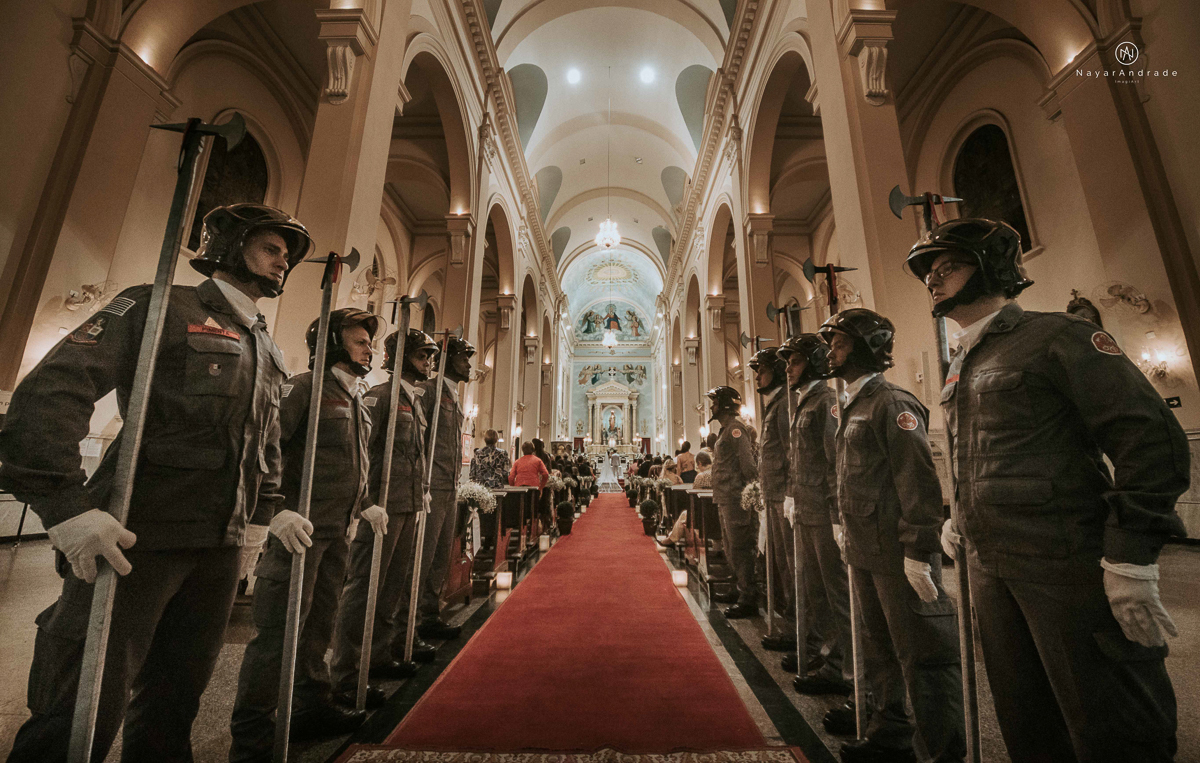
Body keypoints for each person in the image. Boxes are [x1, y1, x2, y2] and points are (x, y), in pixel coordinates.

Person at [0, 203, 308, 762]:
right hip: (137, 538)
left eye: (287, 255)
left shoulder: (268, 345)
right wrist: (65, 505)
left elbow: (265, 443)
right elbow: (51, 393)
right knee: (78, 714)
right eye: (271, 248)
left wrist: (264, 516)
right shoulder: (159, 304)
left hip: (218, 549)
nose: (282, 261)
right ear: (231, 245)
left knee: (173, 705)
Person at [905, 217, 1189, 762]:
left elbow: (1151, 441)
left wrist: (1130, 557)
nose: (933, 281)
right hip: (991, 566)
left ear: (991, 267)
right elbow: (982, 452)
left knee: (1111, 725)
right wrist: (958, 513)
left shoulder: (1058, 337)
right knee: (1027, 722)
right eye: (929, 273)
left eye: (948, 267)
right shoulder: (965, 360)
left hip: (1065, 562)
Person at [230, 308, 379, 760]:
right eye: (359, 342)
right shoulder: (303, 388)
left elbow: (357, 462)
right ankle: (253, 737)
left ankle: (312, 706)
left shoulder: (354, 397)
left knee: (319, 627)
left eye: (369, 343)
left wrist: (365, 503)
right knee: (279, 635)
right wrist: (275, 511)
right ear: (334, 344)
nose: (369, 349)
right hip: (299, 531)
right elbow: (266, 447)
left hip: (336, 531)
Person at [819, 308, 965, 763]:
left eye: (839, 343)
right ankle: (890, 730)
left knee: (921, 655)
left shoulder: (892, 403)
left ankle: (941, 750)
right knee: (879, 646)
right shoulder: (854, 403)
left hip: (897, 551)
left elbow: (917, 478)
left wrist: (920, 550)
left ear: (865, 346)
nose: (831, 352)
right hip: (866, 547)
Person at [329, 329, 439, 706]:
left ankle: (379, 655)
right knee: (365, 588)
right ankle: (346, 671)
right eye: (422, 355)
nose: (428, 362)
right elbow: (365, 454)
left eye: (430, 356)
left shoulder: (415, 401)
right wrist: (366, 502)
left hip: (408, 503)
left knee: (393, 585)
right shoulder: (380, 398)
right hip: (382, 506)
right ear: (402, 356)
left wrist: (421, 491)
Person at [777, 334, 854, 701]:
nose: (788, 369)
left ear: (813, 361)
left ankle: (848, 669)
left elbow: (833, 462)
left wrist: (838, 517)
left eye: (793, 361)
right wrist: (792, 495)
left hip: (824, 514)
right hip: (807, 510)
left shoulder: (826, 402)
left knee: (836, 593)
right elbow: (799, 460)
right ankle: (831, 656)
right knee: (817, 591)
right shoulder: (803, 403)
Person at [404, 335, 474, 648]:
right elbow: (417, 440)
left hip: (449, 486)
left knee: (440, 556)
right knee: (422, 556)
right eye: (464, 358)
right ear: (448, 360)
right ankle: (409, 626)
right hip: (431, 484)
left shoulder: (455, 395)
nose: (469, 365)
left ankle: (429, 615)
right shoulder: (429, 391)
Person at [749, 347, 797, 655]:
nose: (757, 377)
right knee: (783, 567)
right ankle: (795, 630)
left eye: (762, 370)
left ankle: (807, 637)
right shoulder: (775, 404)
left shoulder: (786, 404)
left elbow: (794, 454)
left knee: (794, 569)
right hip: (775, 497)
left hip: (786, 500)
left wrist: (790, 495)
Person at [707, 385, 760, 620]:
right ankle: (739, 589)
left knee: (740, 547)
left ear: (726, 404)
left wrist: (752, 492)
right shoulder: (726, 429)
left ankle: (748, 597)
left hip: (735, 497)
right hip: (725, 496)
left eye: (715, 402)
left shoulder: (736, 429)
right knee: (730, 546)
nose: (712, 406)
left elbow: (748, 465)